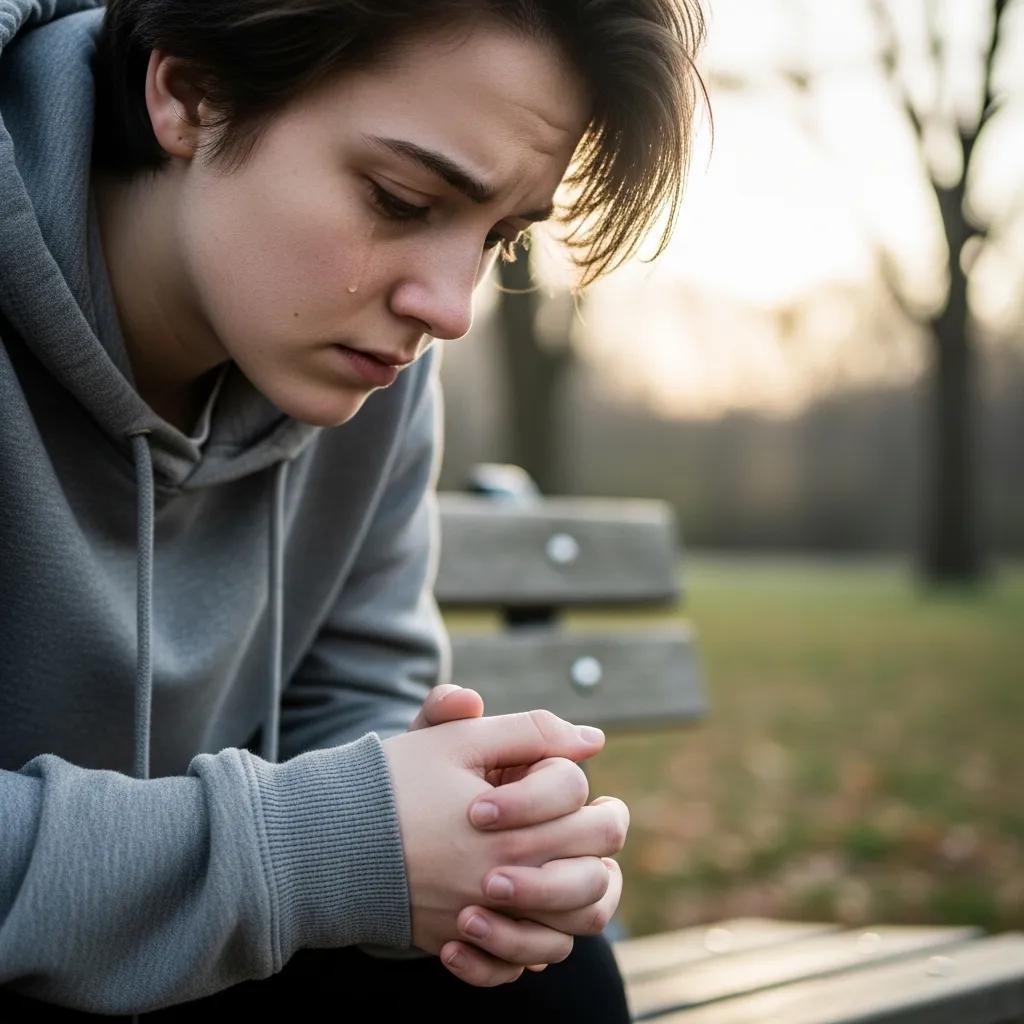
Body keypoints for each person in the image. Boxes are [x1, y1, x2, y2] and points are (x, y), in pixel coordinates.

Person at [0, 0, 707, 1019]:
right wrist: (319, 845)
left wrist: (481, 831)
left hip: (194, 951)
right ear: (188, 91)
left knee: (540, 978)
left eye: (499, 237)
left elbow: (355, 696)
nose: (451, 307)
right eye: (401, 198)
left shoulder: (368, 366)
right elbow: (319, 839)